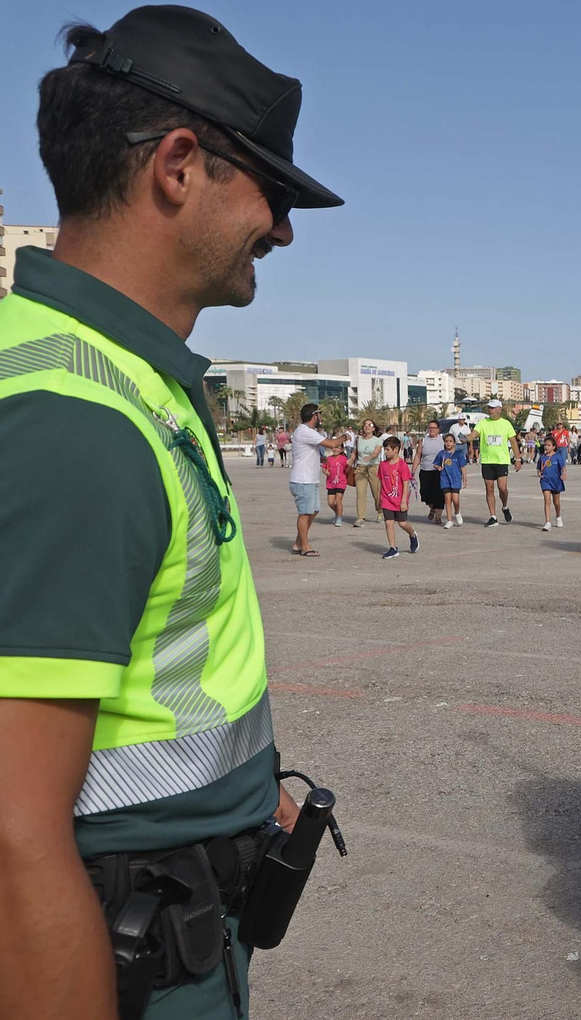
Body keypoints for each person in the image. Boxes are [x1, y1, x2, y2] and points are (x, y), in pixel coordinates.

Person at [0, 7, 343, 1016]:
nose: (279, 230)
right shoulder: (78, 422)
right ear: (180, 165)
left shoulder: (121, 378)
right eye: (272, 192)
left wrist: (240, 791)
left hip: (182, 912)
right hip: (119, 960)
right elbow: (15, 831)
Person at [290, 406, 346, 558]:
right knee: (305, 514)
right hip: (303, 480)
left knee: (313, 511)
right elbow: (332, 444)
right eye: (319, 414)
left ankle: (298, 542)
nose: (321, 417)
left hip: (310, 480)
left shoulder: (308, 432)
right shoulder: (304, 431)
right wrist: (345, 437)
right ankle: (305, 546)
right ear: (314, 416)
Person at [470, 399, 521, 526]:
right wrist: (465, 438)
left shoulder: (506, 424)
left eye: (493, 408)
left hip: (502, 460)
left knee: (502, 488)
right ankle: (493, 516)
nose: (490, 410)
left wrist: (518, 458)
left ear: (499, 409)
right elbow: (473, 434)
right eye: (489, 408)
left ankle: (505, 506)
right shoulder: (483, 423)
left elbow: (513, 442)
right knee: (489, 488)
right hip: (487, 460)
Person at [377, 436, 419, 560]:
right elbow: (380, 481)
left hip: (399, 500)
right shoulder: (382, 465)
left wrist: (403, 501)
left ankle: (412, 534)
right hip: (386, 499)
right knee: (389, 523)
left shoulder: (402, 465)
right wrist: (379, 497)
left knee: (402, 523)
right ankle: (393, 548)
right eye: (385, 449)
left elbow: (405, 483)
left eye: (387, 449)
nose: (385, 452)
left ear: (396, 450)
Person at [350, 418, 383, 527]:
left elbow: (376, 452)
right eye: (365, 424)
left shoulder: (378, 440)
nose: (367, 426)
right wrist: (351, 459)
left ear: (373, 428)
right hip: (360, 468)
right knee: (360, 493)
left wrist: (370, 457)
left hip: (374, 467)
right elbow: (355, 452)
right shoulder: (358, 439)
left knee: (376, 493)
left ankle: (380, 511)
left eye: (370, 424)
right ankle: (360, 517)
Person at [415, 419, 447, 524]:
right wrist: (412, 471)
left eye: (434, 428)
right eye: (430, 428)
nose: (431, 430)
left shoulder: (443, 440)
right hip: (425, 470)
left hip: (439, 471)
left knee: (439, 494)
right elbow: (418, 456)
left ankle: (438, 516)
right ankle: (432, 508)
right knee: (425, 493)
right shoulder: (423, 440)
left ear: (438, 429)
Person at [435, 432, 467, 527]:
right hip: (445, 479)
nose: (448, 443)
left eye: (450, 441)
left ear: (454, 443)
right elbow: (436, 463)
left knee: (455, 499)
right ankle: (449, 520)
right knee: (447, 499)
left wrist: (465, 478)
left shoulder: (458, 454)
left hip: (456, 479)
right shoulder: (442, 454)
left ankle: (457, 512)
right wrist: (438, 467)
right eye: (446, 441)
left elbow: (463, 467)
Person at [538, 435, 567, 532]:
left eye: (548, 445)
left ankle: (558, 516)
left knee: (556, 502)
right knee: (547, 500)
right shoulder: (542, 457)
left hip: (556, 481)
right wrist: (539, 473)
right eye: (545, 445)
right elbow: (538, 467)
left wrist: (564, 473)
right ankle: (547, 522)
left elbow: (563, 466)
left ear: (554, 446)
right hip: (545, 481)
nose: (546, 447)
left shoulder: (557, 456)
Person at [323, 439, 350, 527]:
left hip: (341, 482)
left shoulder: (344, 459)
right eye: (334, 447)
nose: (336, 449)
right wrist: (325, 471)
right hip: (330, 483)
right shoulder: (329, 458)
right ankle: (338, 511)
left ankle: (339, 518)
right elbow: (324, 467)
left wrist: (349, 466)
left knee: (338, 501)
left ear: (342, 450)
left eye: (338, 448)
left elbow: (347, 470)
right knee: (330, 502)